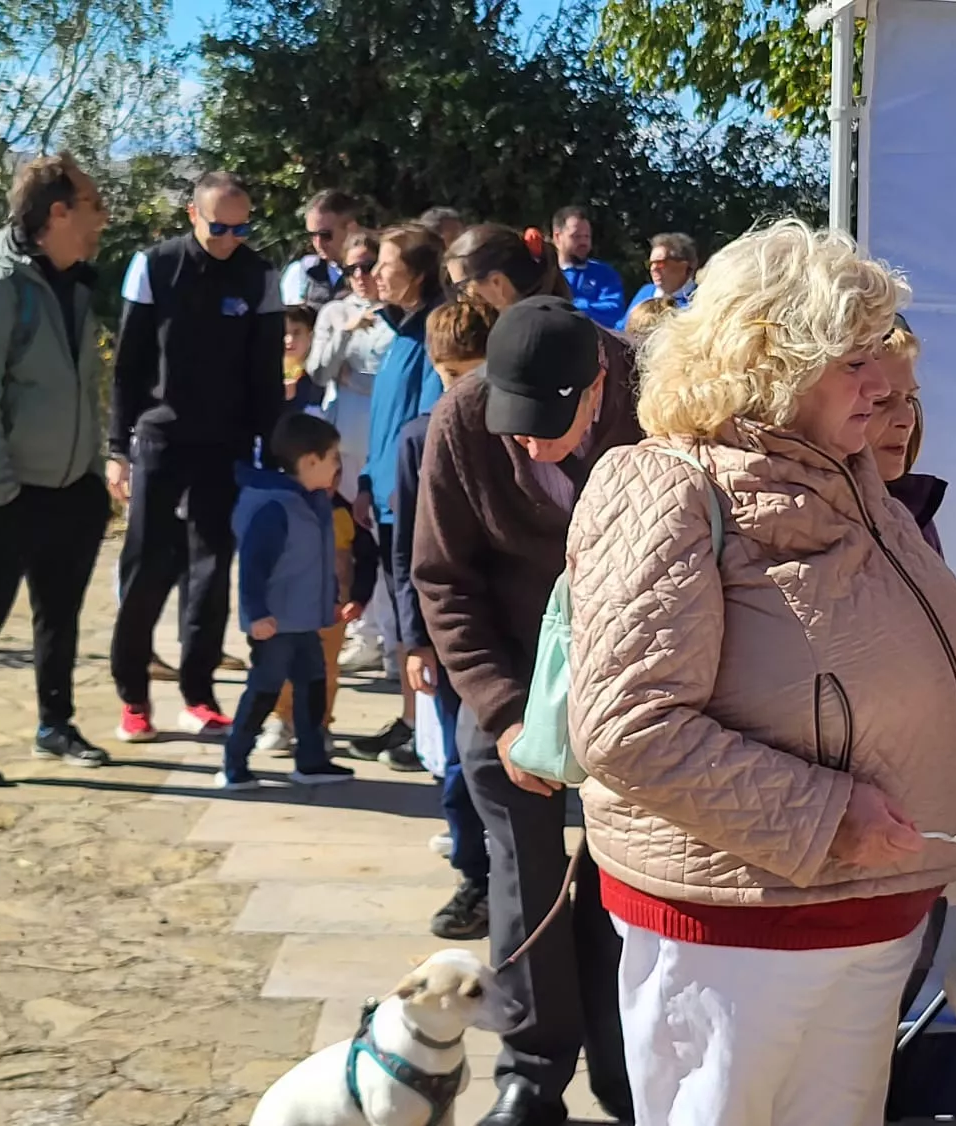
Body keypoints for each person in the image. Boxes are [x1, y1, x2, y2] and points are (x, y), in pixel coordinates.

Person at [565, 220, 956, 1126]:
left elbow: (914, 672)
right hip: (740, 929)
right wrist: (827, 815)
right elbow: (627, 728)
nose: (884, 383)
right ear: (769, 360)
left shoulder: (855, 483)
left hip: (872, 911)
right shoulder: (667, 483)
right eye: (854, 358)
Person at [412, 297, 641, 1126]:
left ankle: (627, 1067)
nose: (534, 445)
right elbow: (443, 579)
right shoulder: (461, 420)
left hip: (638, 680)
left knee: (627, 876)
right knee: (520, 872)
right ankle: (532, 1074)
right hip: (509, 670)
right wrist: (507, 716)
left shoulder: (659, 399)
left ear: (598, 385)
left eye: (550, 423)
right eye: (518, 427)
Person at [0, 153, 111, 786]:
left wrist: (92, 471)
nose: (102, 219)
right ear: (57, 212)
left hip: (71, 487)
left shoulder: (76, 284)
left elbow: (86, 387)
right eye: (92, 205)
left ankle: (53, 725)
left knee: (58, 614)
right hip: (1, 486)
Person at [108, 170, 285, 742]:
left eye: (241, 226)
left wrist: (271, 449)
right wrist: (118, 449)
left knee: (210, 572)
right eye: (218, 226)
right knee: (148, 566)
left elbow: (264, 373)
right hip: (161, 437)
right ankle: (133, 696)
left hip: (225, 444)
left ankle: (199, 692)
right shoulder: (155, 265)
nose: (230, 236)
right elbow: (127, 367)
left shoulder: (259, 276)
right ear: (192, 214)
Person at [394, 296, 500, 941]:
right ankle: (474, 874)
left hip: (516, 627)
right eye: (448, 377)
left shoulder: (523, 433)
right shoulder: (417, 439)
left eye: (472, 374)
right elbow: (407, 549)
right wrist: (414, 639)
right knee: (462, 764)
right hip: (450, 633)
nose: (459, 391)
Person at [218, 412, 360, 789]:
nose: (337, 467)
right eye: (333, 458)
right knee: (264, 691)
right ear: (309, 462)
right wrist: (256, 614)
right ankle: (235, 762)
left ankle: (311, 761)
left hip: (305, 621)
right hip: (276, 625)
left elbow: (318, 559)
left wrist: (329, 597)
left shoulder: (312, 502)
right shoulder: (274, 507)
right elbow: (252, 567)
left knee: (312, 687)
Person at [353, 223, 447, 769]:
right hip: (385, 496)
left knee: (420, 621)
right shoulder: (398, 330)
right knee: (400, 622)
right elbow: (384, 421)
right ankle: (411, 719)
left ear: (415, 273)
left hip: (409, 500)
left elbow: (424, 427)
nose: (373, 274)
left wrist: (393, 489)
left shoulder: (433, 330)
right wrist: (366, 478)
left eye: (384, 265)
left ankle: (427, 729)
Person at [307, 230, 394, 505]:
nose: (359, 276)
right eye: (350, 269)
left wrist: (355, 380)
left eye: (367, 267)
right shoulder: (334, 312)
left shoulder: (400, 314)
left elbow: (398, 381)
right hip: (342, 445)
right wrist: (346, 331)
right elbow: (320, 374)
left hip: (386, 441)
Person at [869, 313, 946, 554]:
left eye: (910, 399)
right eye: (881, 400)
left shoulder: (913, 515)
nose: (907, 419)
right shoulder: (797, 523)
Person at [280, 189, 360, 310]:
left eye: (325, 235)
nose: (318, 243)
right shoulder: (305, 272)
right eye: (312, 235)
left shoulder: (371, 271)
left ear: (351, 228)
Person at [551, 206, 625, 330]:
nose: (583, 243)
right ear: (558, 237)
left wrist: (574, 307)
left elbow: (614, 310)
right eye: (576, 236)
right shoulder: (546, 273)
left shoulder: (604, 273)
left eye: (587, 236)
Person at [617, 232, 697, 330]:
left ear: (683, 265)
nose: (653, 268)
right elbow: (622, 329)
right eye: (650, 264)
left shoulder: (700, 300)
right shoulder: (646, 292)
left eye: (660, 263)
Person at [282, 305, 318, 410]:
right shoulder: (265, 373)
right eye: (284, 333)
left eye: (297, 333)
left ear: (310, 336)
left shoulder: (316, 374)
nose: (289, 340)